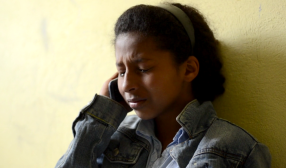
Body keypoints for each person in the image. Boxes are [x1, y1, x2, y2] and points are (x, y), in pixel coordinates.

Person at [55, 3, 271, 168]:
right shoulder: (114, 138)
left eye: (143, 69)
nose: (127, 84)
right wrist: (102, 115)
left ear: (188, 69)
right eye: (121, 72)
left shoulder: (236, 149)